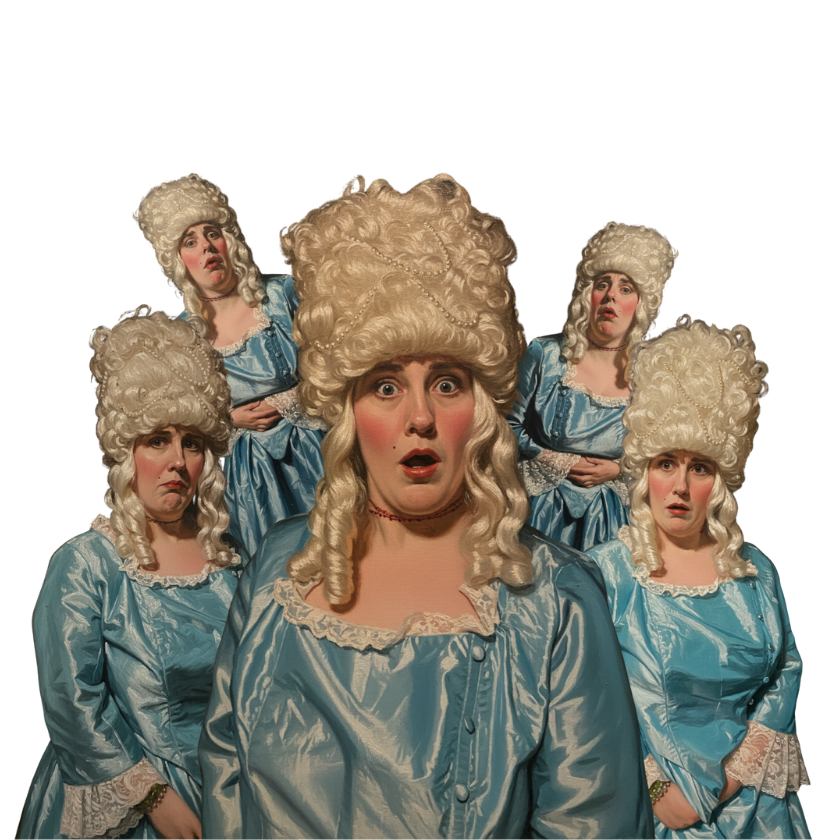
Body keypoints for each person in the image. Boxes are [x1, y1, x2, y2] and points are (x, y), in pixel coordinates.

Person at [199, 175, 652, 839]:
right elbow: (227, 782)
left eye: (446, 383)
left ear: (485, 408)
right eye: (385, 386)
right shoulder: (276, 573)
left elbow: (594, 820)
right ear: (347, 408)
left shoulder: (553, 599)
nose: (420, 417)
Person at [18, 309, 244, 839]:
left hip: (227, 792)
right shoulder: (86, 565)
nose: (177, 462)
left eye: (191, 443)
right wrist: (153, 799)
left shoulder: (233, 564)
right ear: (127, 452)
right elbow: (72, 701)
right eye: (157, 440)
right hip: (128, 798)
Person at [587, 317, 809, 838]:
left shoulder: (754, 571)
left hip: (756, 810)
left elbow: (786, 672)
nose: (680, 486)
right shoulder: (606, 573)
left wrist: (730, 779)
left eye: (700, 468)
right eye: (666, 463)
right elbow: (587, 699)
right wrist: (656, 789)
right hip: (654, 812)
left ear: (720, 481)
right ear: (644, 470)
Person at [136, 174, 325, 555]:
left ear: (230, 239)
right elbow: (175, 423)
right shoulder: (182, 337)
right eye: (190, 241)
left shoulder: (282, 296)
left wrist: (286, 402)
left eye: (212, 233)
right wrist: (228, 421)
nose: (206, 247)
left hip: (318, 453)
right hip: (250, 482)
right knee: (273, 569)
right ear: (177, 260)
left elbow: (338, 363)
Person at [509, 222, 675, 550]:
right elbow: (506, 426)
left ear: (641, 304)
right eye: (603, 284)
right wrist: (559, 461)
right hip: (539, 513)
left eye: (626, 288)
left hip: (615, 523)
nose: (611, 295)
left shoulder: (654, 374)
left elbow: (666, 458)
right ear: (588, 295)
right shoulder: (546, 354)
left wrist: (617, 469)